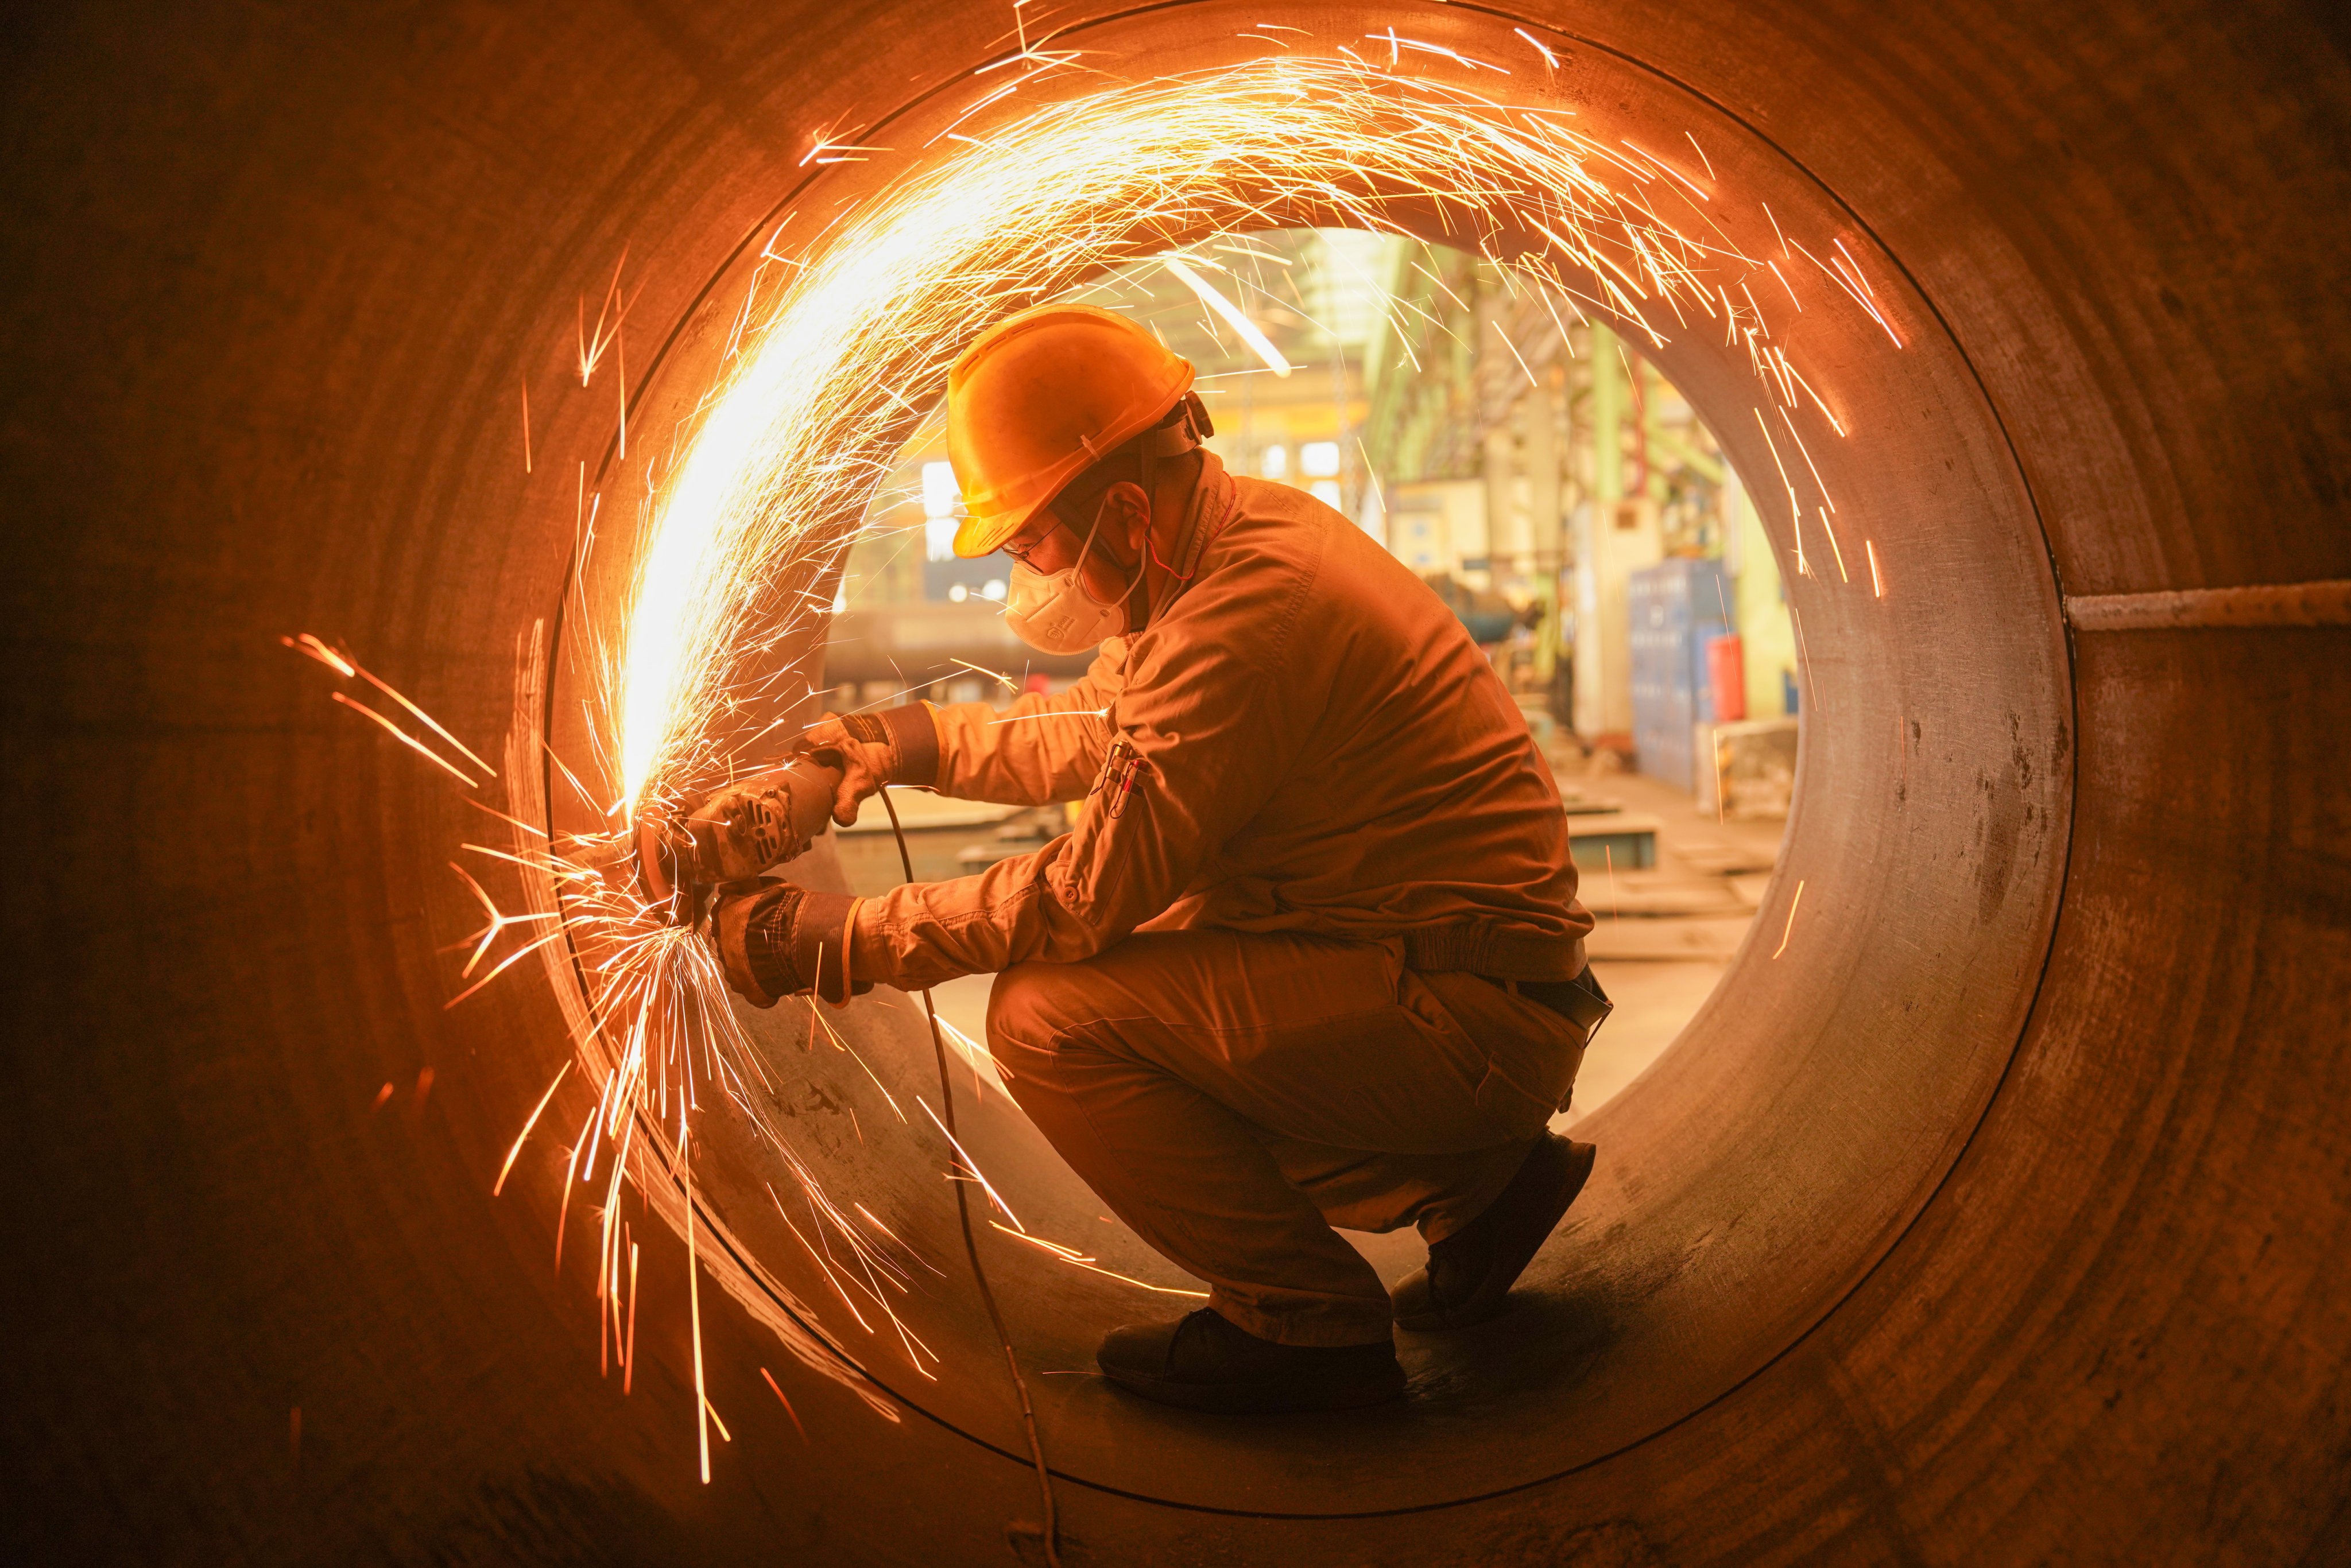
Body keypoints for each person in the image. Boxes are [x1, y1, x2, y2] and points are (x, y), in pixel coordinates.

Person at [700, 303, 1609, 1414]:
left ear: (1125, 511)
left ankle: (1304, 1326)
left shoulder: (1238, 624)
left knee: (1053, 1018)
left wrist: (836, 941)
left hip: (1466, 1016)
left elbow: (1085, 897)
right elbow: (1103, 725)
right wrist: (905, 742)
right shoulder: (1228, 550)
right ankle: (1488, 1190)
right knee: (1175, 948)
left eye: (1030, 543)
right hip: (1476, 985)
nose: (1025, 577)